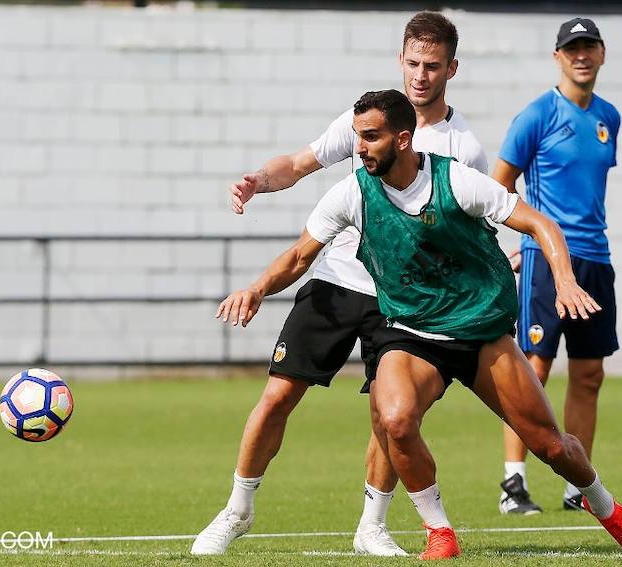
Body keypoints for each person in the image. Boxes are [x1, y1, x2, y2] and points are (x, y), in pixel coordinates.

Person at [215, 89, 622, 560]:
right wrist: (257, 288)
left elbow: (541, 225)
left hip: (479, 330)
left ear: (403, 140)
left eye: (370, 138)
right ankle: (439, 530)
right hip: (410, 333)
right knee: (396, 418)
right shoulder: (350, 193)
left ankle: (607, 508)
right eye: (356, 138)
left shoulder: (459, 180)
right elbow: (300, 255)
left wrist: (564, 281)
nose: (359, 148)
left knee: (550, 445)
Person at [191, 11, 485, 556]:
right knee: (278, 395)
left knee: (389, 414)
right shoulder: (364, 121)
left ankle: (371, 525)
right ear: (402, 60)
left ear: (452, 69)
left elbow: (473, 229)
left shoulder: (462, 147)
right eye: (413, 63)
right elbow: (299, 163)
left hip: (402, 300)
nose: (421, 75)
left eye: (433, 66)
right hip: (334, 282)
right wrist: (259, 179)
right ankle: (236, 511)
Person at [493, 17, 622, 514]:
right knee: (534, 370)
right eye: (572, 49)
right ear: (558, 58)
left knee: (589, 373)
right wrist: (524, 241)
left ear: (602, 54)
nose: (581, 55)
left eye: (589, 47)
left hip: (596, 261)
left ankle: (578, 487)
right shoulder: (536, 116)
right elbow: (498, 186)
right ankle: (514, 485)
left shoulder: (609, 117)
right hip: (546, 264)